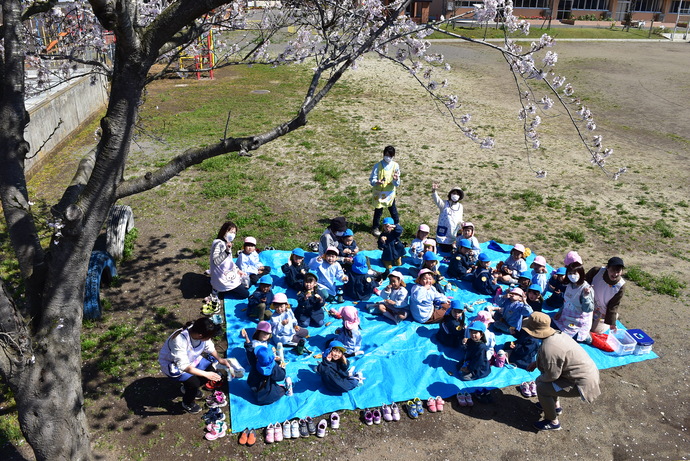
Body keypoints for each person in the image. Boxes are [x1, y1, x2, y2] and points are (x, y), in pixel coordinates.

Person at [522, 312, 601, 431]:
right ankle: (554, 406)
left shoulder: (549, 348)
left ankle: (552, 421)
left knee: (542, 388)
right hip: (583, 374)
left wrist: (539, 380)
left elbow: (552, 375)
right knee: (547, 383)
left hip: (580, 384)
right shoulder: (556, 334)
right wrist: (536, 363)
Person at [158, 318, 230, 413]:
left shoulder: (199, 331)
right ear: (200, 335)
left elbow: (209, 346)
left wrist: (219, 359)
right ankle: (187, 403)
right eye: (208, 337)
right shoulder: (179, 340)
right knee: (195, 383)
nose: (209, 339)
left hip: (191, 359)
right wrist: (205, 374)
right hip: (174, 365)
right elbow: (183, 366)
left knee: (210, 369)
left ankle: (188, 388)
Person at [553, 262, 595, 343]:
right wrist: (560, 311)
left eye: (574, 273)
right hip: (567, 315)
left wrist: (586, 297)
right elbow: (566, 301)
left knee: (570, 337)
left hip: (578, 320)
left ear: (580, 273)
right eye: (570, 273)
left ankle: (585, 337)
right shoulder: (569, 285)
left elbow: (588, 309)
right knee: (552, 325)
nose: (572, 275)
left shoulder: (586, 289)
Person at [209, 221, 249, 299]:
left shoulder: (226, 242)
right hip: (222, 277)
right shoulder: (218, 244)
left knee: (246, 281)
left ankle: (221, 289)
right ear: (224, 231)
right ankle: (221, 290)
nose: (232, 235)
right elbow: (216, 261)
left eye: (234, 233)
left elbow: (229, 260)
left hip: (227, 272)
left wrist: (237, 270)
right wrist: (227, 251)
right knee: (245, 294)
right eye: (230, 232)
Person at [586, 256, 627, 334]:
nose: (615, 274)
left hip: (602, 310)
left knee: (595, 330)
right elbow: (584, 281)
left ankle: (615, 316)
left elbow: (613, 305)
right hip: (587, 302)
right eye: (612, 270)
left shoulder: (620, 286)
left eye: (618, 271)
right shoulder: (596, 271)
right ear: (607, 267)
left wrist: (611, 322)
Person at [370, 145, 401, 236]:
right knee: (378, 211)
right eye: (386, 155)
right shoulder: (377, 166)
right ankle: (375, 227)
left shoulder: (395, 166)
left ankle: (396, 225)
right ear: (383, 154)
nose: (388, 157)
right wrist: (376, 182)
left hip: (389, 193)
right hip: (379, 193)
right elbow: (372, 179)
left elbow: (397, 183)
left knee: (393, 209)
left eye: (390, 155)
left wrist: (395, 179)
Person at [431, 183, 464, 253]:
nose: (456, 195)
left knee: (453, 248)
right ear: (450, 194)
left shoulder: (460, 206)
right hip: (443, 230)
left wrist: (462, 224)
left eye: (458, 194)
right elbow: (436, 199)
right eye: (454, 193)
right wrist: (434, 191)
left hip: (453, 230)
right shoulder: (444, 203)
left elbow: (460, 218)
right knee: (444, 249)